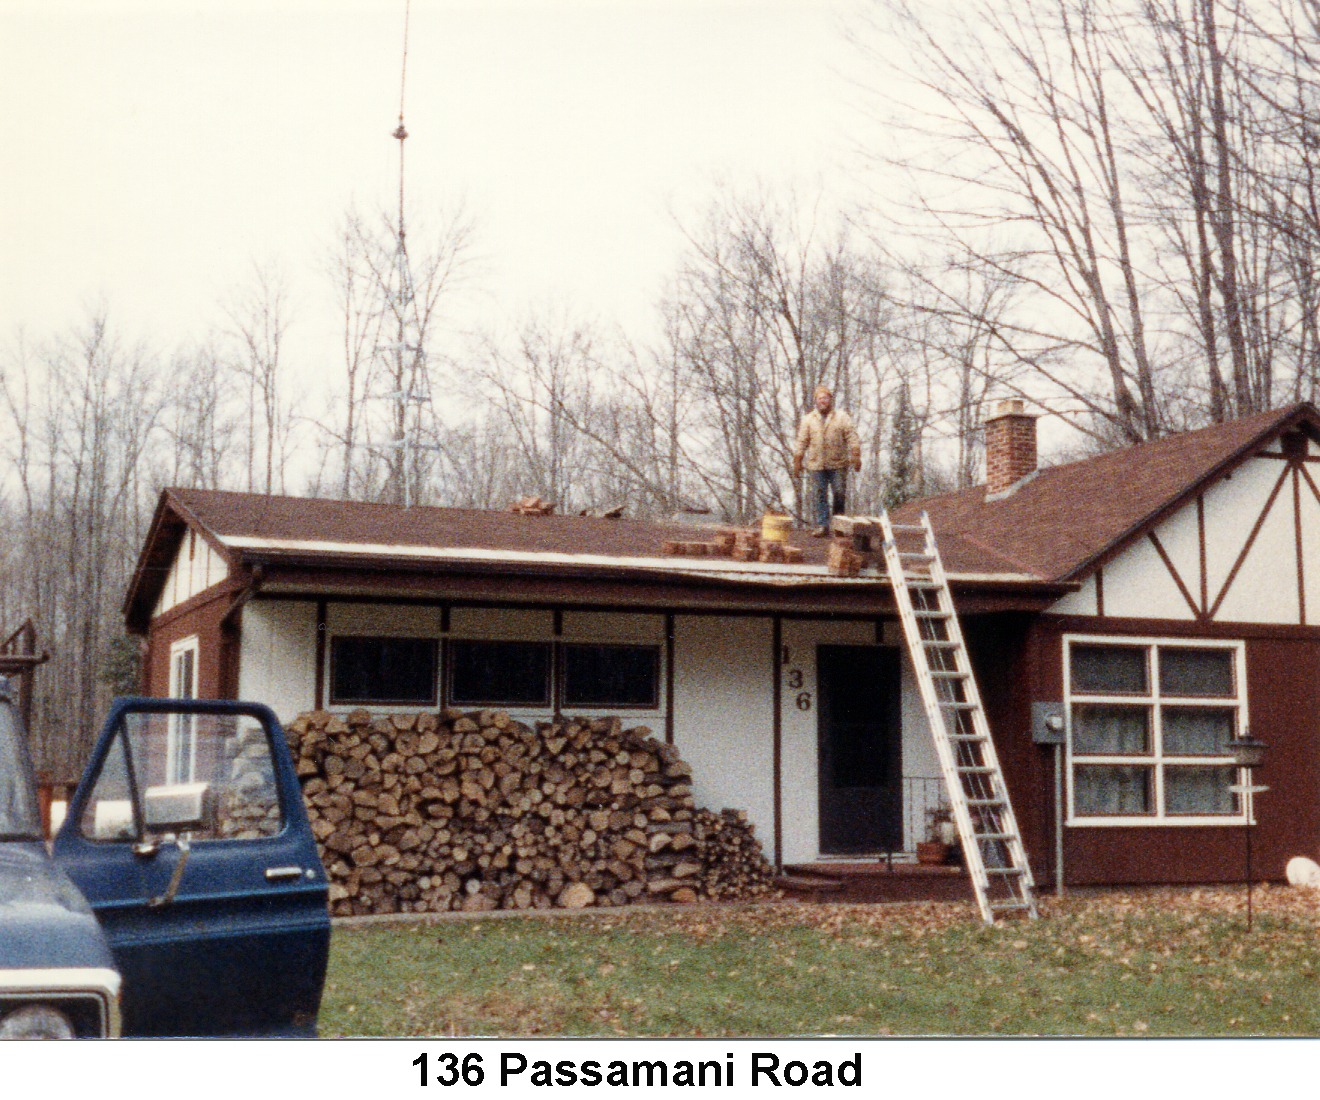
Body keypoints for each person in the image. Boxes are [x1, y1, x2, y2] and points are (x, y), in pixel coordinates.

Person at [792, 386, 861, 536]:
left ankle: (839, 526)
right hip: (816, 464)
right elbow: (801, 441)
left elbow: (851, 436)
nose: (822, 401)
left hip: (838, 463)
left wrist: (856, 455)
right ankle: (823, 526)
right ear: (816, 401)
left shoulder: (842, 417)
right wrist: (797, 460)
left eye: (825, 398)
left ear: (830, 400)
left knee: (839, 492)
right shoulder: (808, 420)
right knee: (819, 494)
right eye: (819, 398)